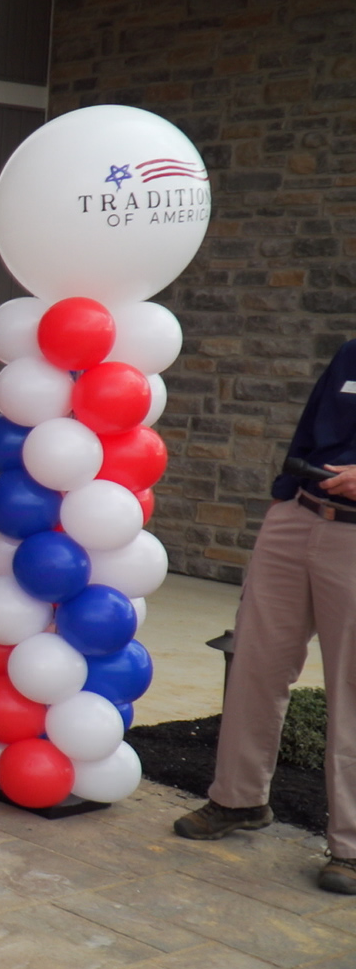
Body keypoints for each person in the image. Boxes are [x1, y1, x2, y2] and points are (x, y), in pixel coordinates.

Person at [173, 339, 356, 893]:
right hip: (297, 517)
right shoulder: (350, 354)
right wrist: (283, 497)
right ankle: (239, 799)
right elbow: (308, 427)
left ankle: (349, 848)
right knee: (256, 664)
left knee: (350, 688)